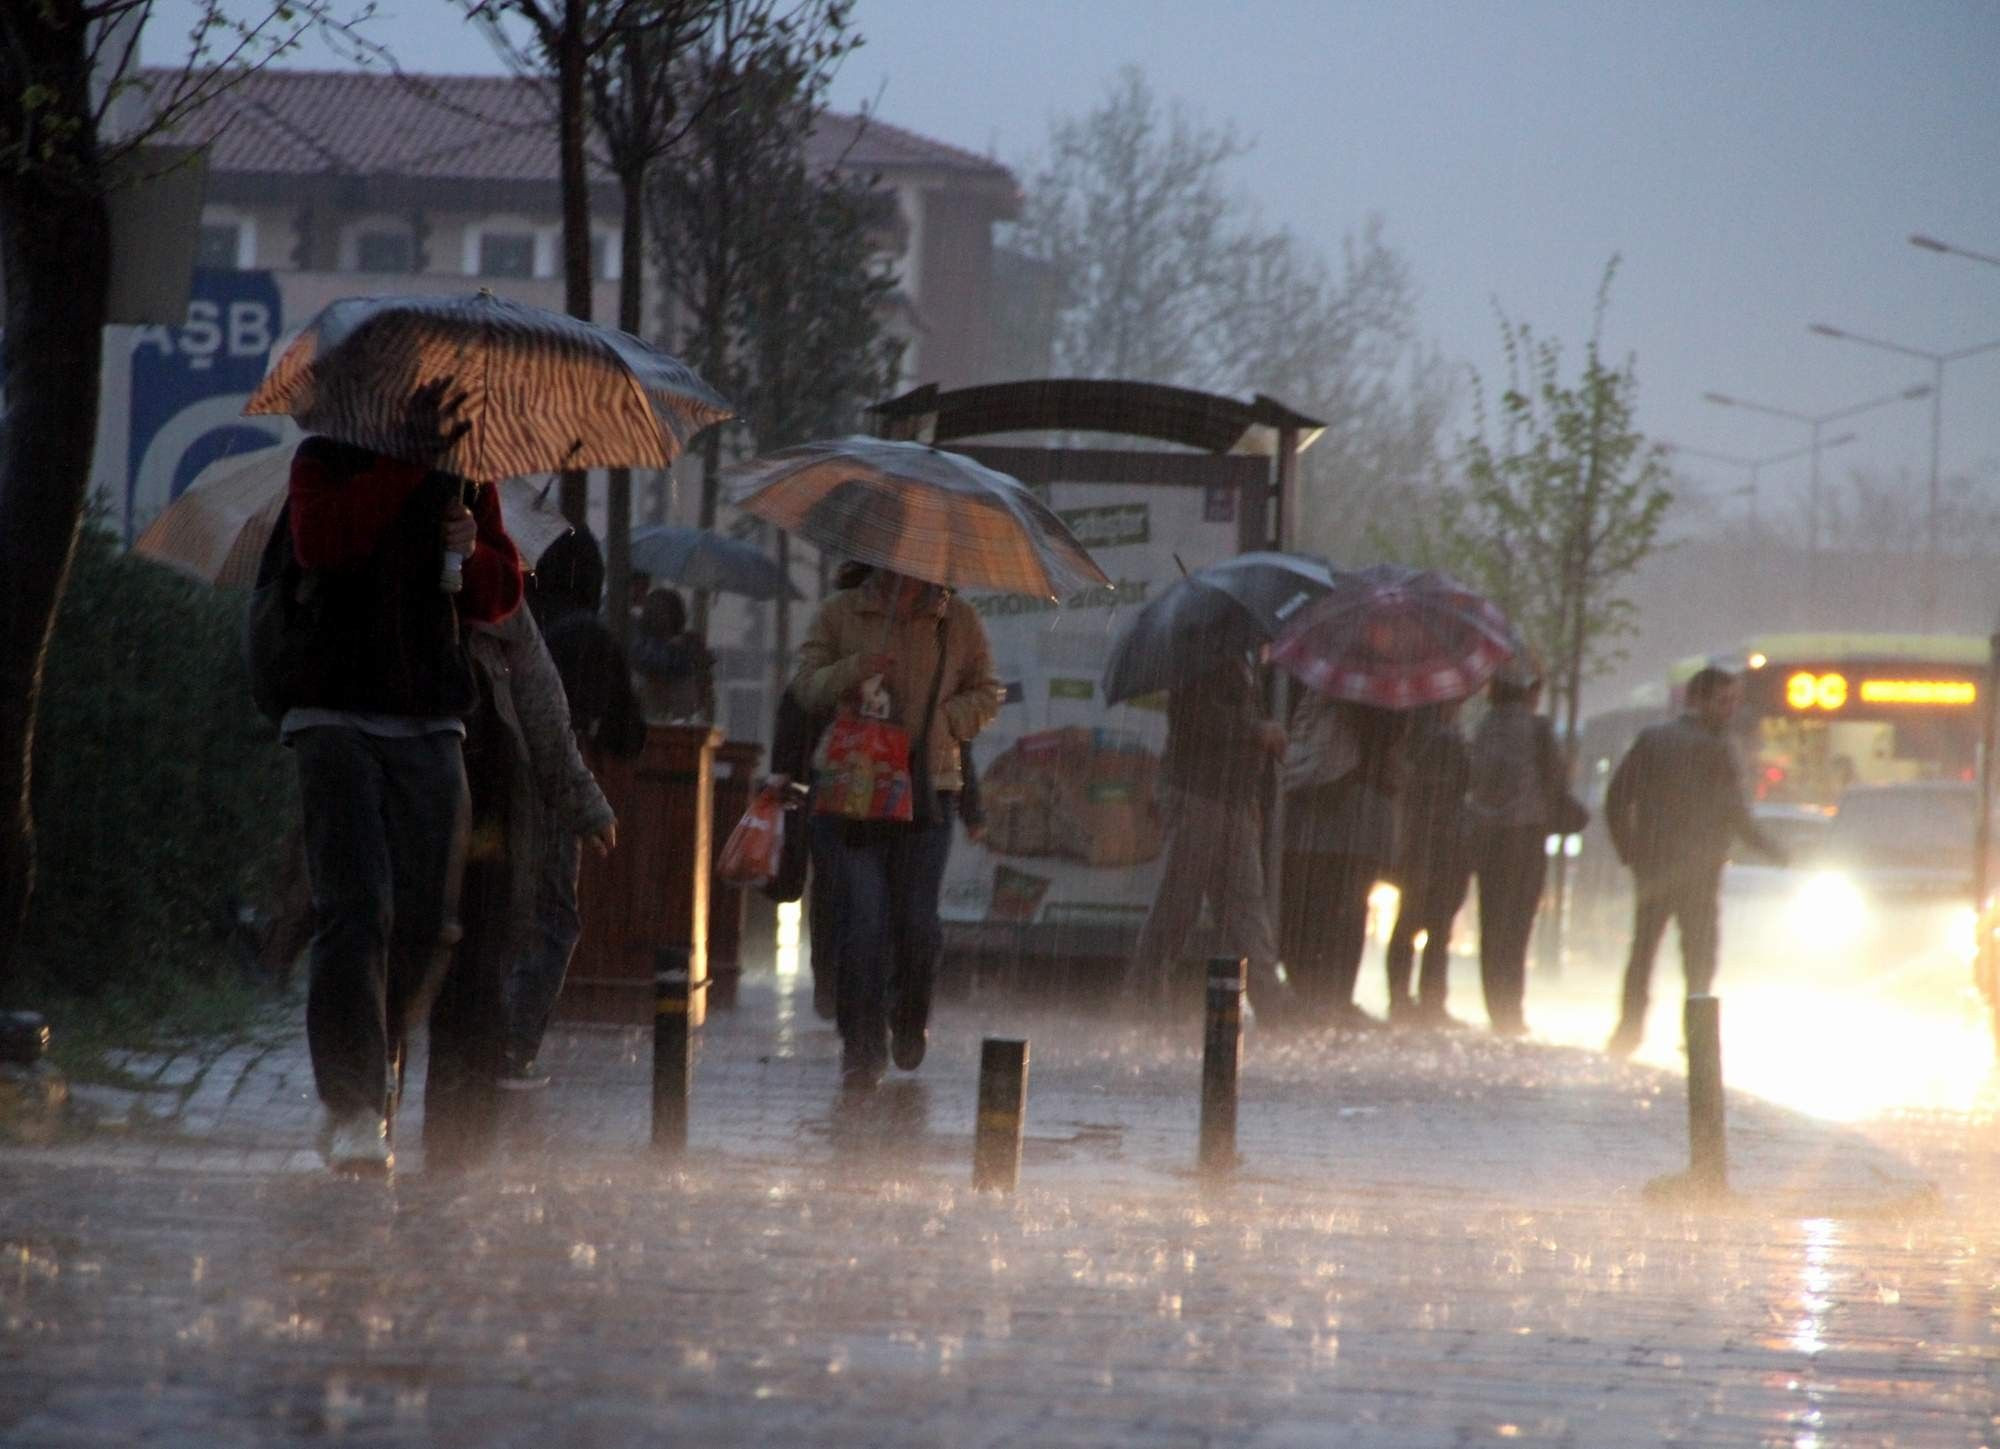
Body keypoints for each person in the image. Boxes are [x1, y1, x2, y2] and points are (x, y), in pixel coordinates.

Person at [277, 430, 522, 1174]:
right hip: (333, 709)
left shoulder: (467, 473)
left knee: (430, 919)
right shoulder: (324, 456)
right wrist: (405, 472)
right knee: (355, 908)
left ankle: (373, 1053)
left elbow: (498, 596)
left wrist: (469, 547)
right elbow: (322, 543)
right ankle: (353, 1103)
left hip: (430, 714)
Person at [792, 566, 999, 1089]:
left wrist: (947, 719)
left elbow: (987, 692)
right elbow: (805, 687)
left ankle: (909, 1014)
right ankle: (861, 1044)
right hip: (853, 792)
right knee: (863, 921)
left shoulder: (958, 621)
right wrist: (853, 670)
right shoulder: (841, 613)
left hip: (928, 792)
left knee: (916, 924)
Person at [426, 604, 616, 1161]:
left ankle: (447, 1118)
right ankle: (444, 1107)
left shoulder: (499, 602)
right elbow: (545, 712)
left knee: (466, 951)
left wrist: (583, 801)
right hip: (458, 800)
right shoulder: (494, 600)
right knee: (460, 951)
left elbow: (542, 708)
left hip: (475, 807)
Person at [499, 529, 646, 1083]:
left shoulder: (510, 617)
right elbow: (627, 734)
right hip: (551, 787)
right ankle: (512, 1044)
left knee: (497, 910)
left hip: (486, 779)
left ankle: (476, 1034)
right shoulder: (588, 636)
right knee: (553, 919)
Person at [1602, 666, 1786, 1059]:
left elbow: (1617, 798)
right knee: (1699, 958)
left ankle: (1629, 1031)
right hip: (1700, 871)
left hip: (1655, 867)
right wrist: (1777, 853)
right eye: (1724, 701)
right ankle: (1697, 1038)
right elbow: (1736, 814)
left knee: (1643, 951)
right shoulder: (1719, 748)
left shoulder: (1653, 740)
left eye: (1735, 701)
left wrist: (1631, 852)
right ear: (1698, 700)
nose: (1730, 709)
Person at [1126, 646, 1289, 1015]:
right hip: (1197, 795)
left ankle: (1271, 1002)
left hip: (1232, 799)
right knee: (1179, 900)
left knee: (1245, 905)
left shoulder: (1244, 660)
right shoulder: (1200, 655)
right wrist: (1256, 731)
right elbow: (1197, 719)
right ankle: (1144, 990)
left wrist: (1251, 793)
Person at [1279, 692, 1409, 1028]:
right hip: (1352, 811)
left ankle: (1312, 993)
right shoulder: (1369, 693)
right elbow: (1384, 743)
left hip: (1313, 806)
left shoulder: (1315, 687)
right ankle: (1332, 998)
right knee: (1346, 909)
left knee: (1313, 906)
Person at [1463, 658, 1564, 1037]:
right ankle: (1512, 1009)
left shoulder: (1483, 727)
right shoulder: (1538, 729)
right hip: (1526, 836)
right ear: (1528, 692)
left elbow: (1473, 779)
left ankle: (1496, 1007)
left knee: (1492, 923)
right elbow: (1555, 782)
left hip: (1488, 837)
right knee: (1518, 925)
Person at [1384, 701, 1471, 1027]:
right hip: (1443, 842)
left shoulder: (1411, 739)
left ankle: (1399, 997)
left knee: (1409, 921)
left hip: (1417, 840)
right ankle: (1430, 1001)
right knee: (1437, 924)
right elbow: (1464, 783)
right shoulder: (1447, 740)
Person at [632, 587, 717, 723]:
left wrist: (699, 662)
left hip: (681, 719)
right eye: (657, 613)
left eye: (668, 613)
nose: (663, 619)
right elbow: (649, 662)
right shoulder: (641, 644)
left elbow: (701, 692)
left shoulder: (687, 644)